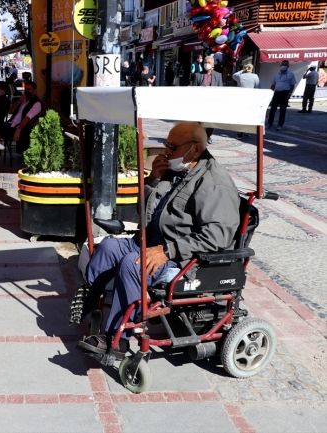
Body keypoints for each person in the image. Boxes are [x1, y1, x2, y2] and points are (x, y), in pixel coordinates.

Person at [74, 122, 240, 360]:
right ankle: (88, 299)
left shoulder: (213, 183)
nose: (167, 151)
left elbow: (219, 236)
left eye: (172, 146)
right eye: (166, 144)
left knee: (134, 263)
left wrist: (167, 250)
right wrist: (152, 181)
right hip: (152, 241)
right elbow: (143, 213)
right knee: (109, 247)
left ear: (195, 149)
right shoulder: (177, 170)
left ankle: (118, 339)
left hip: (184, 260)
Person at [2, 80, 41, 154]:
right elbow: (10, 111)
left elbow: (27, 117)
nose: (27, 91)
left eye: (29, 89)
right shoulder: (23, 100)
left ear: (34, 90)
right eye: (25, 89)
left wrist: (19, 129)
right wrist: (19, 101)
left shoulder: (36, 103)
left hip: (20, 127)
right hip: (11, 124)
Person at [192, 55, 223, 144]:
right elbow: (194, 89)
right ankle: (199, 137)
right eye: (205, 62)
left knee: (211, 122)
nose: (207, 64)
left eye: (209, 63)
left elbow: (221, 89)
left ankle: (207, 135)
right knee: (199, 121)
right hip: (200, 102)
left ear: (213, 64)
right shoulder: (198, 75)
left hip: (212, 102)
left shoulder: (218, 75)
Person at [268, 60, 296, 131]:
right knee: (272, 109)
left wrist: (289, 94)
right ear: (280, 65)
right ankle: (269, 123)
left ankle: (280, 125)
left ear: (288, 66)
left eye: (285, 65)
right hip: (276, 93)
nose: (284, 66)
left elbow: (292, 85)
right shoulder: (277, 74)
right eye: (283, 64)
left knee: (282, 110)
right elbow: (273, 84)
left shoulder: (291, 74)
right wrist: (270, 94)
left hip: (285, 93)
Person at [233, 64, 260, 138]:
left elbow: (234, 75)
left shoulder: (240, 76)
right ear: (252, 69)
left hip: (241, 98)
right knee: (249, 115)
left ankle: (239, 132)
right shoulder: (255, 76)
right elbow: (258, 87)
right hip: (251, 98)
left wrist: (242, 70)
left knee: (240, 116)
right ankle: (247, 131)